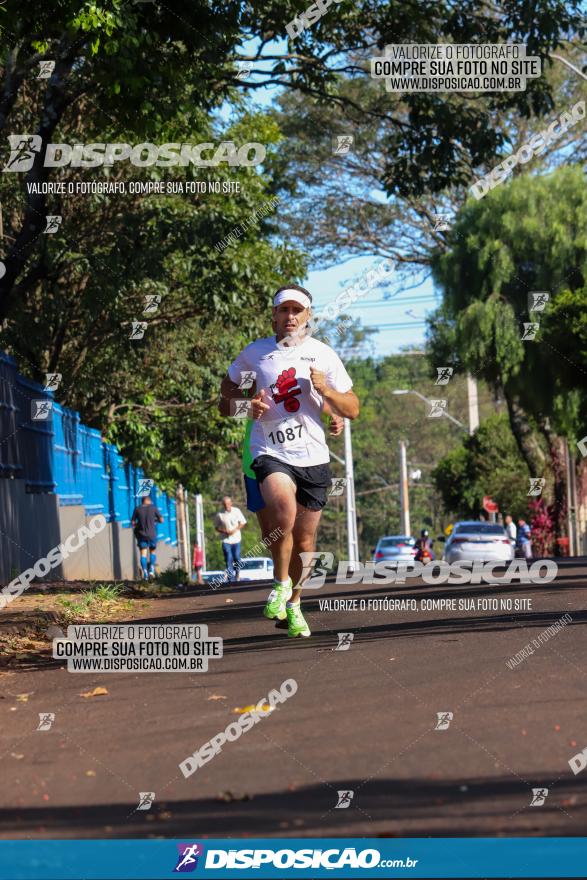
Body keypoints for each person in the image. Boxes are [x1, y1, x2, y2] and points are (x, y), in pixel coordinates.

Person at [218, 283, 360, 638]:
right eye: (284, 310)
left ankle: (295, 603)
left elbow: (353, 407)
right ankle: (281, 584)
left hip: (312, 457)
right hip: (268, 451)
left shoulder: (323, 355)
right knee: (282, 517)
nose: (290, 317)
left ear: (308, 316)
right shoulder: (255, 355)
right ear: (274, 315)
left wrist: (328, 395)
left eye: (297, 311)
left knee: (305, 541)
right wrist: (245, 407)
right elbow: (225, 401)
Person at [214, 496, 247, 582]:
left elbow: (243, 522)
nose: (227, 505)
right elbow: (216, 527)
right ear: (223, 505)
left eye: (228, 503)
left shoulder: (236, 511)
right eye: (225, 504)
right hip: (226, 540)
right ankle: (230, 577)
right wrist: (224, 531)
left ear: (231, 503)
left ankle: (237, 573)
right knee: (228, 557)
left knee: (236, 556)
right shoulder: (220, 514)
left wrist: (235, 530)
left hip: (236, 539)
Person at [131, 494, 164, 580]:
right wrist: (155, 520)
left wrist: (138, 524)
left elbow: (133, 522)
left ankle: (145, 572)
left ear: (142, 501)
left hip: (142, 535)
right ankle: (151, 569)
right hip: (152, 534)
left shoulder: (137, 509)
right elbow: (161, 520)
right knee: (152, 552)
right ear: (148, 501)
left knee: (143, 554)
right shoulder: (153, 508)